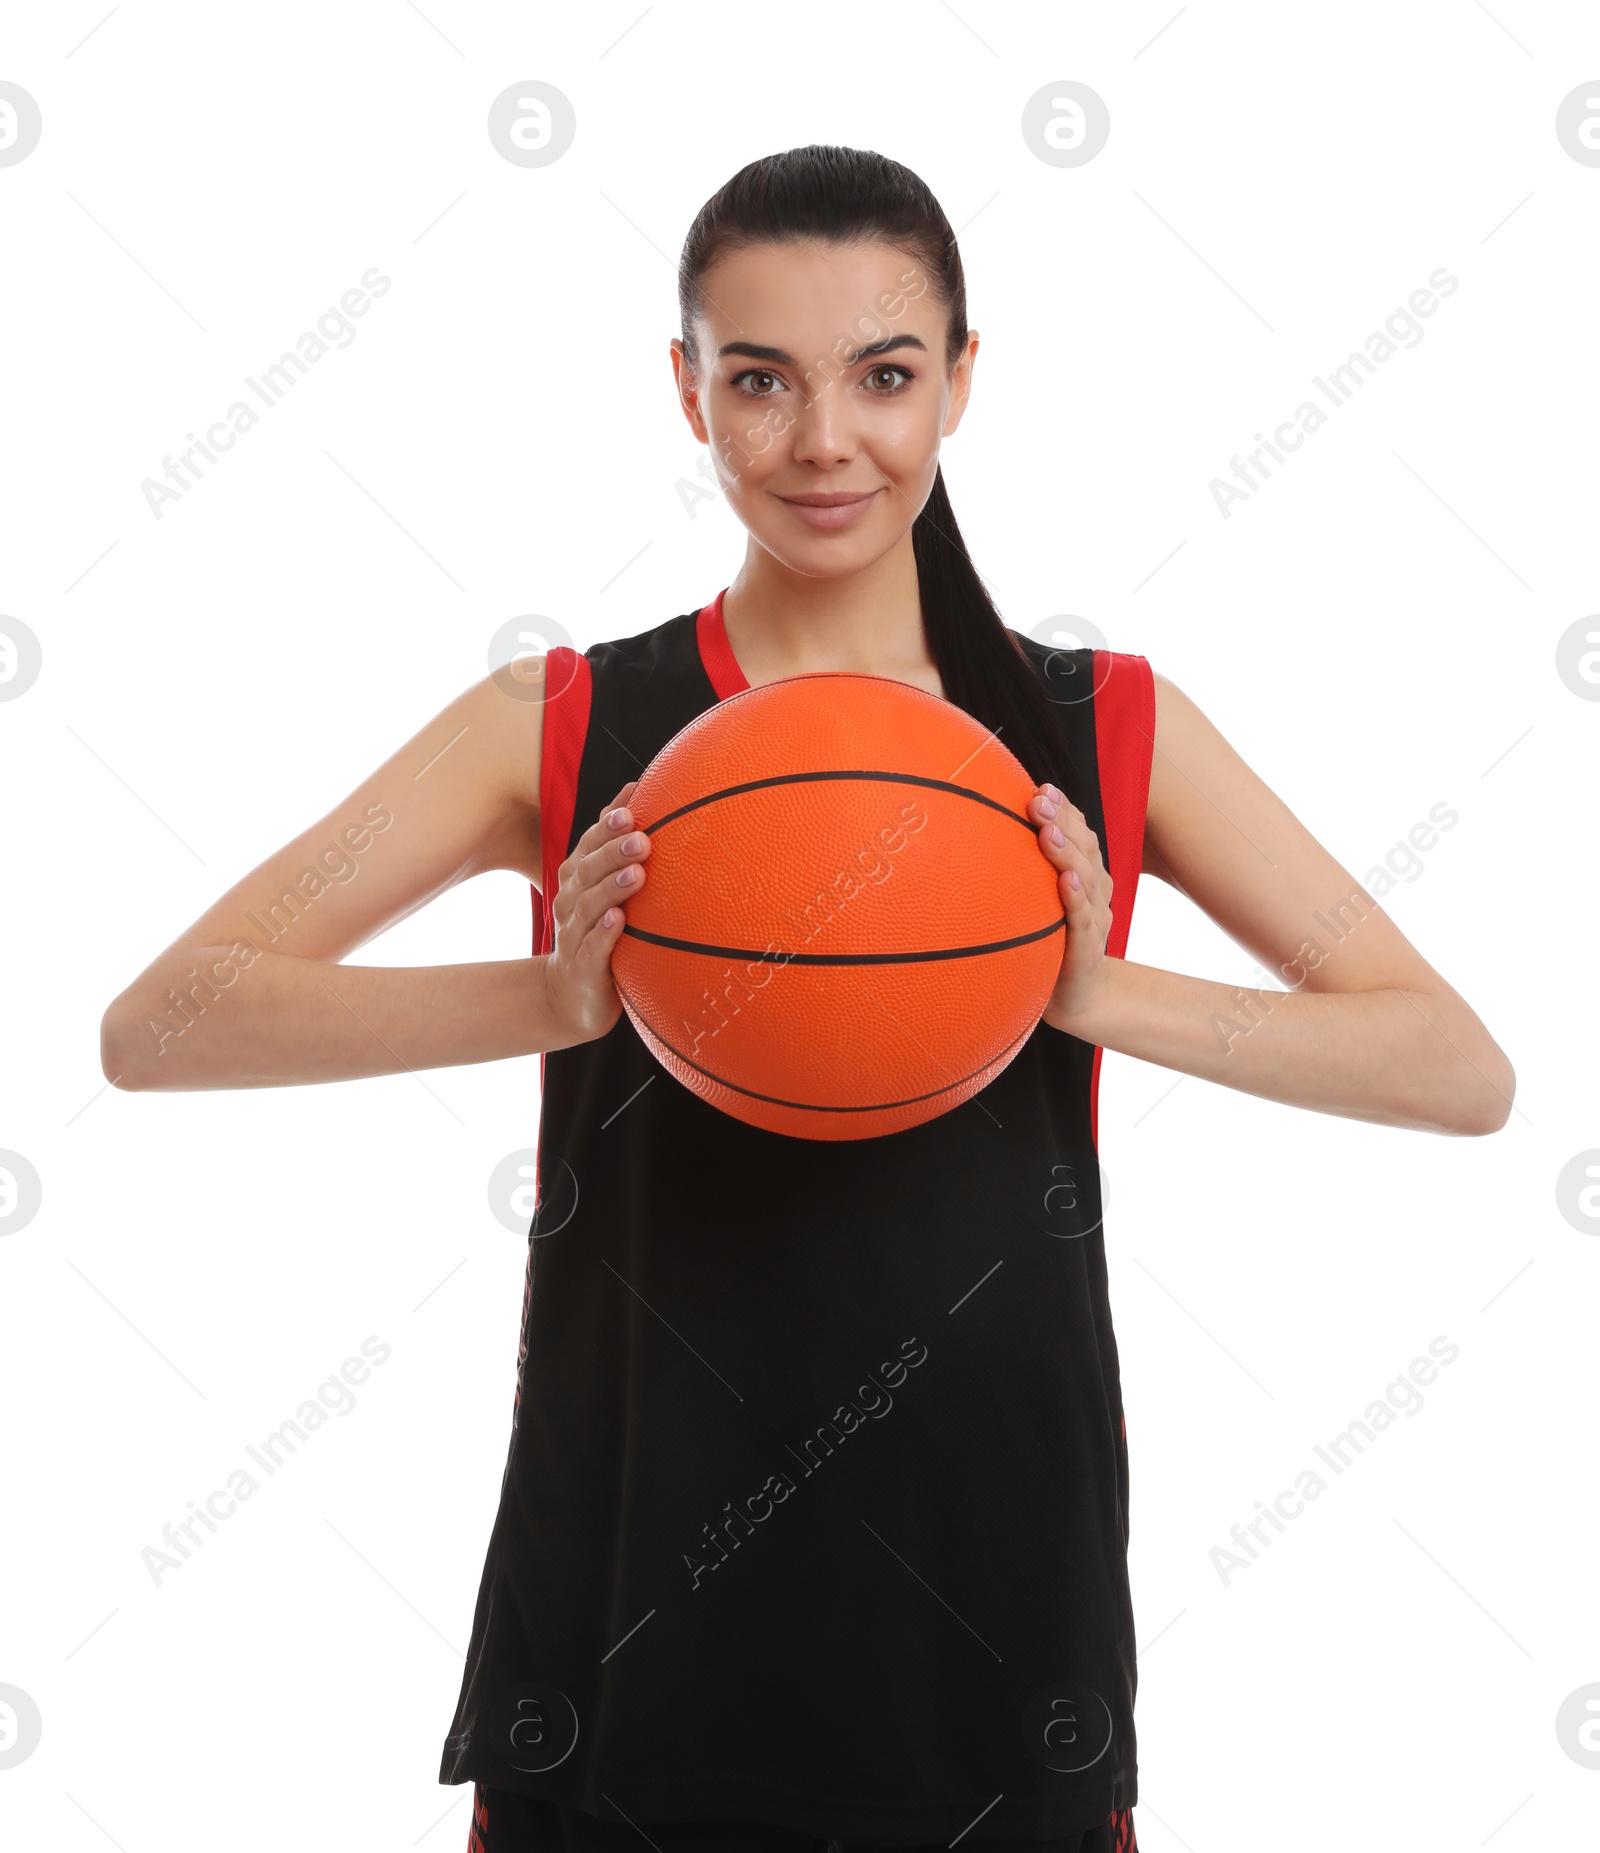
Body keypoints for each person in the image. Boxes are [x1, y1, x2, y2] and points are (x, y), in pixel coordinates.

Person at [100, 145, 1514, 1853]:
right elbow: (161, 1020)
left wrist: (1098, 991)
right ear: (685, 391)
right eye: (758, 380)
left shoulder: (1104, 729)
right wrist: (551, 1000)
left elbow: (1455, 1067)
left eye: (886, 375)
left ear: (964, 382)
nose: (824, 440)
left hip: (999, 1655)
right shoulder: (559, 725)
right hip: (622, 1651)